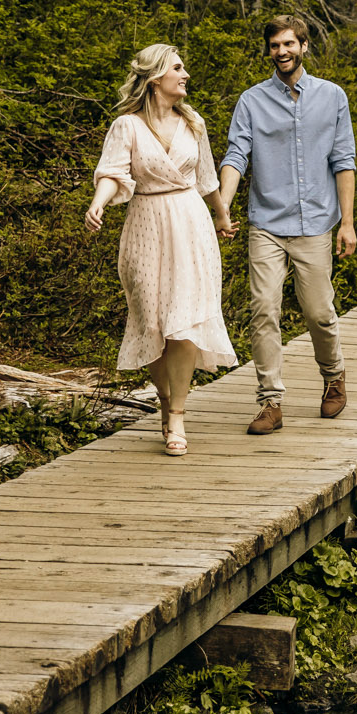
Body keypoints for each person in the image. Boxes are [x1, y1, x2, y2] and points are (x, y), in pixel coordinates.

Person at [85, 43, 238, 456]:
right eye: (178, 68)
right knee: (152, 320)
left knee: (184, 318)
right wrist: (98, 203)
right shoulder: (126, 127)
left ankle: (178, 417)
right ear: (155, 79)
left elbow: (206, 178)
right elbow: (113, 172)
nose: (185, 74)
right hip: (146, 225)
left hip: (191, 224)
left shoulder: (194, 123)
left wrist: (222, 217)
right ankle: (166, 401)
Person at [217, 15, 357, 434]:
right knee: (264, 310)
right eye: (275, 46)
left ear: (304, 46)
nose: (282, 52)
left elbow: (343, 161)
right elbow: (235, 155)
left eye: (289, 44)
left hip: (315, 222)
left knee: (319, 313)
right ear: (269, 51)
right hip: (266, 223)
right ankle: (270, 402)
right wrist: (223, 205)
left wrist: (347, 223)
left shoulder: (332, 97)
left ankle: (334, 377)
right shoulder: (252, 101)